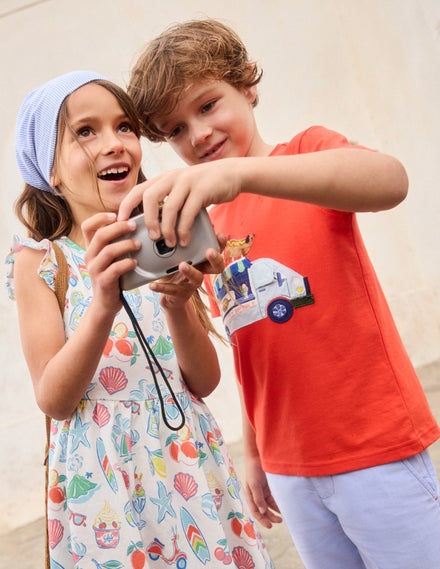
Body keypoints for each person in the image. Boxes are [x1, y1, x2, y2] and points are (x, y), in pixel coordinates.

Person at [120, 18, 440, 569]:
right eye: (174, 130)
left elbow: (390, 180)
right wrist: (256, 451)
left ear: (246, 86)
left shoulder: (305, 157)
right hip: (291, 468)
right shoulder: (210, 225)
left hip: (373, 448)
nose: (196, 135)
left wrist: (242, 175)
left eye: (207, 105)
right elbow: (254, 345)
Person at [6, 70, 275, 569]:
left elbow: (204, 381)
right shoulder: (43, 261)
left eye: (125, 126)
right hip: (106, 487)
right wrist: (103, 304)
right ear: (51, 170)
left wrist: (177, 304)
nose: (114, 143)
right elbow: (54, 399)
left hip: (190, 461)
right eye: (85, 131)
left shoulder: (167, 236)